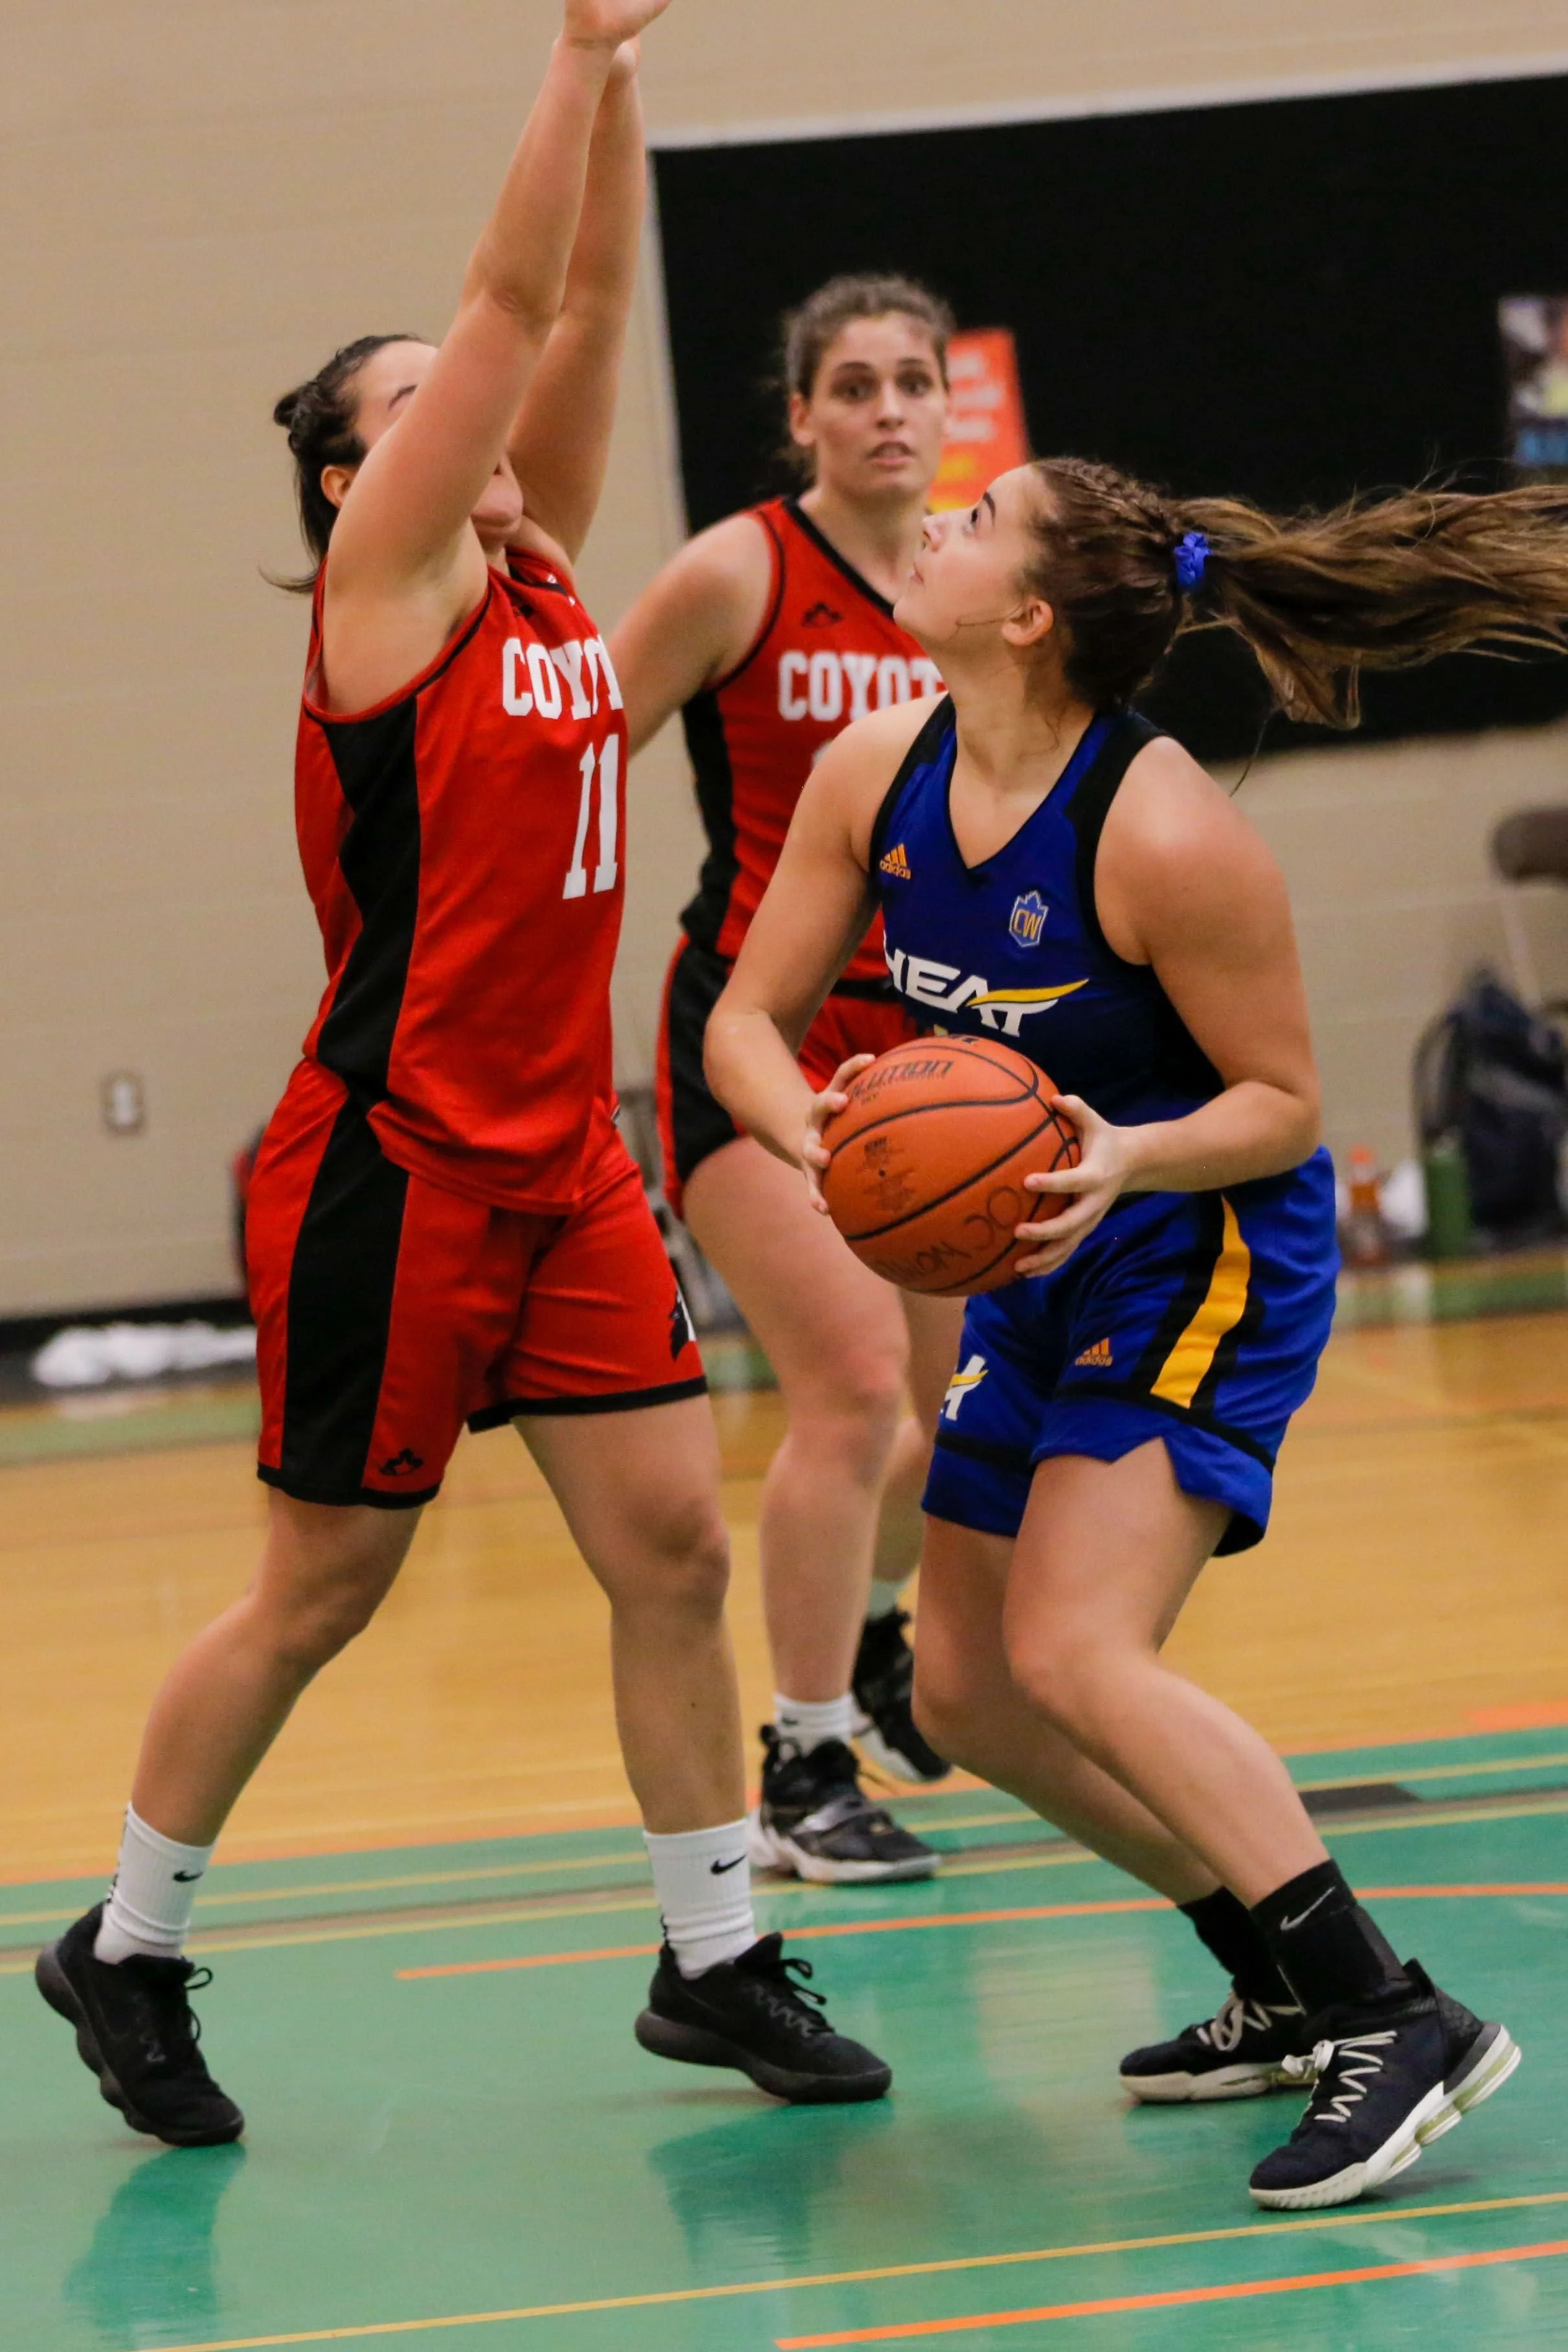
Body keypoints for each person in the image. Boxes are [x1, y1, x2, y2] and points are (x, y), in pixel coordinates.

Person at [34, 1, 891, 2150]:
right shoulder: (383, 589)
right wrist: (567, 43)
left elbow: (583, 296)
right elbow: (512, 299)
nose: (475, 391)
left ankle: (710, 1959)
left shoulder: (532, 579)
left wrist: (622, 91)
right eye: (417, 399)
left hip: (567, 1169)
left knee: (674, 1560)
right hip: (390, 1170)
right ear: (354, 474)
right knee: (322, 1588)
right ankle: (121, 1944)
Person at [704, 456, 1568, 2206]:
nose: (930, 525)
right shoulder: (877, 772)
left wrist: (1121, 1153)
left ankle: (1386, 2013)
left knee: (1079, 1653)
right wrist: (825, 1142)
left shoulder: (1164, 832)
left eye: (969, 521)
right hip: (1035, 1261)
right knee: (962, 1692)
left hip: (1198, 1242)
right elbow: (743, 1018)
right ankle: (1265, 1969)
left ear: (1023, 615)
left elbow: (1280, 1103)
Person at [611, 275, 965, 1888]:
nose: (887, 408)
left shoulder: (981, 585)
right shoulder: (739, 568)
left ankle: (876, 1648)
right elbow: (566, 741)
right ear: (801, 416)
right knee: (847, 1385)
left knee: (947, 1420)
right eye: (854, 384)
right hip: (757, 1044)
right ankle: (799, 1764)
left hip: (935, 1064)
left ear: (950, 406)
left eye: (913, 381)